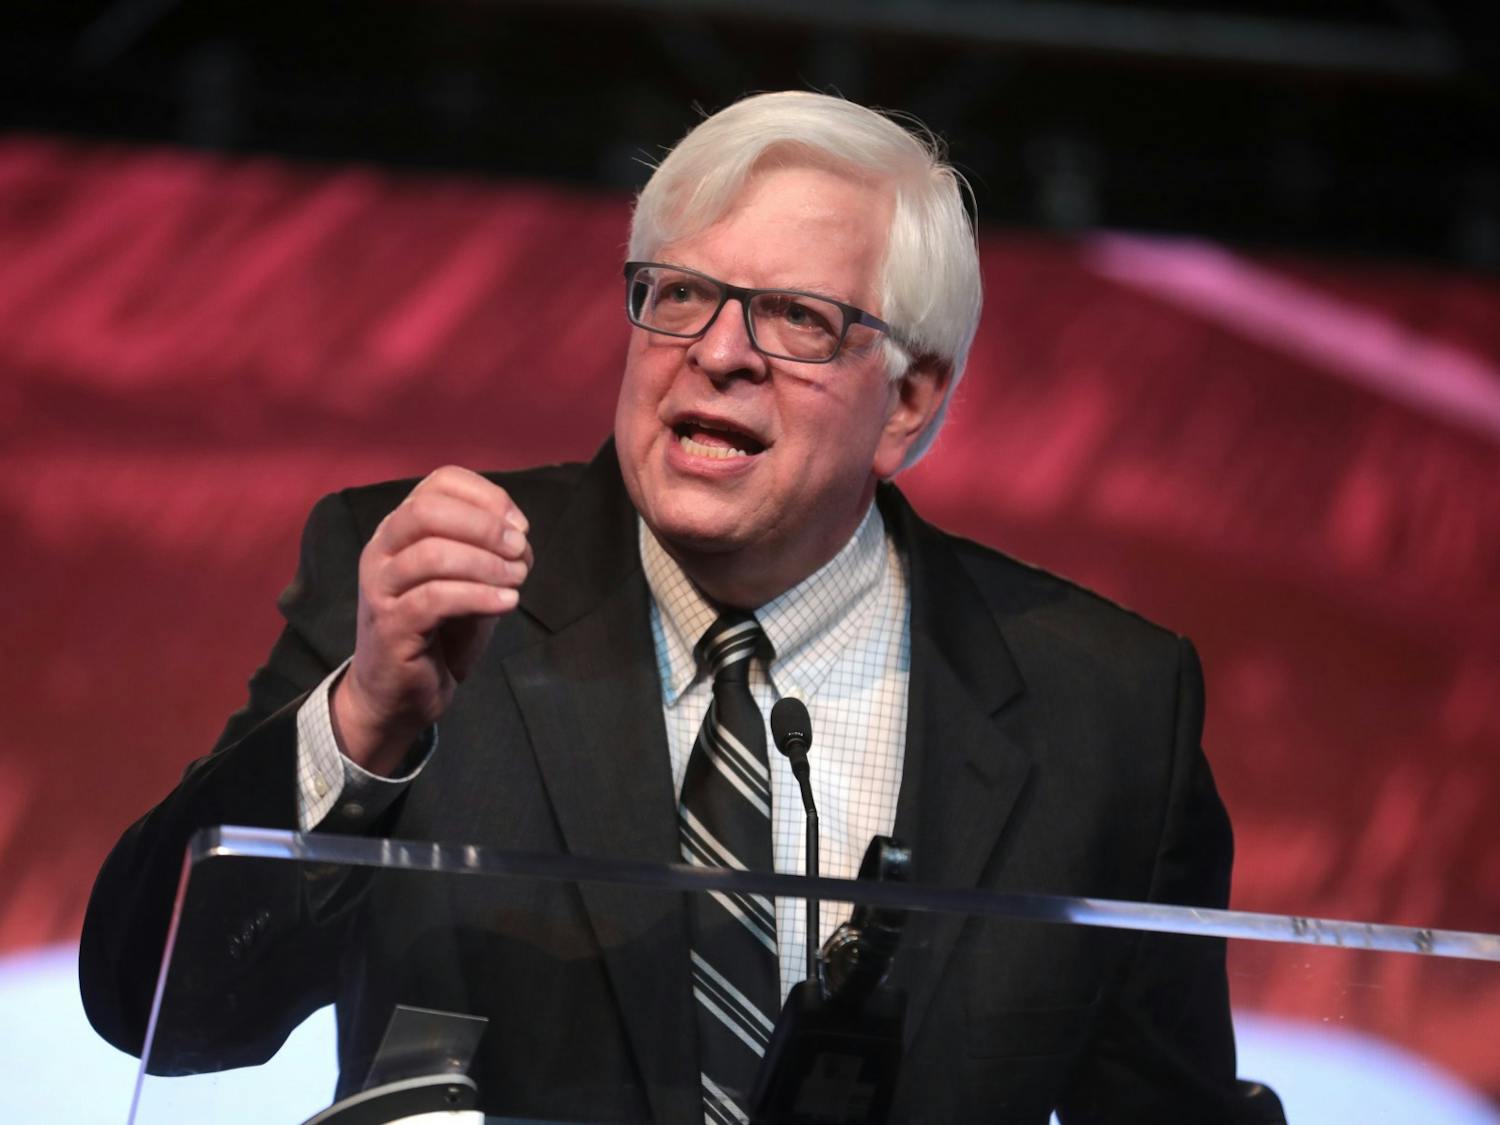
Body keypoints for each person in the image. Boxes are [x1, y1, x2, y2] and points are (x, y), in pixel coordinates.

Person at [80, 91, 1238, 1123]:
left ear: (909, 399)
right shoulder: (427, 590)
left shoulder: (1108, 707)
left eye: (795, 316)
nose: (717, 352)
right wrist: (365, 725)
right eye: (679, 293)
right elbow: (161, 1011)